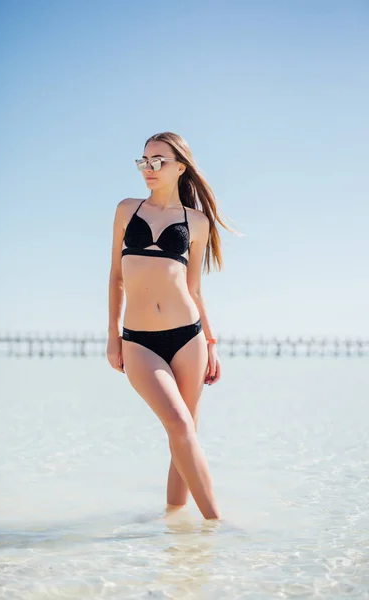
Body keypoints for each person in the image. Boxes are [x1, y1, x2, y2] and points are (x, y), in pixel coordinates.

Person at [106, 132, 234, 520]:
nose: (149, 168)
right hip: (140, 342)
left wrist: (210, 343)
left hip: (188, 338)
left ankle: (177, 533)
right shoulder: (127, 210)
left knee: (184, 435)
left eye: (157, 160)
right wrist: (114, 338)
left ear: (180, 167)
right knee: (179, 424)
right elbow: (116, 277)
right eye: (143, 160)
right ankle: (219, 524)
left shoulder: (196, 223)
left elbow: (193, 287)